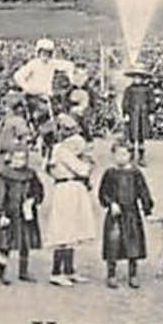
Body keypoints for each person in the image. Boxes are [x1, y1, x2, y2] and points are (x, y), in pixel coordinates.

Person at [42, 113, 97, 286]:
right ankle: (56, 272)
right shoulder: (61, 150)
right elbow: (82, 170)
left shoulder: (66, 148)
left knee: (73, 229)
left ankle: (69, 270)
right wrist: (87, 162)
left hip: (75, 189)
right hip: (66, 189)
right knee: (63, 230)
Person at [98, 141, 154, 289]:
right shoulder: (110, 173)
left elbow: (143, 191)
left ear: (130, 155)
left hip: (131, 214)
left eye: (124, 154)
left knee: (133, 243)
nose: (121, 158)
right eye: (118, 154)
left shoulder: (135, 173)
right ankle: (111, 274)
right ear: (113, 155)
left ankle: (133, 274)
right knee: (113, 243)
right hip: (115, 215)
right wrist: (111, 203)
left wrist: (147, 209)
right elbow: (103, 192)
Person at [0, 147, 44, 285]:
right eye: (16, 158)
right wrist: (2, 213)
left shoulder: (31, 174)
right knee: (4, 244)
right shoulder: (4, 175)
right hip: (10, 214)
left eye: (22, 158)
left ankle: (24, 271)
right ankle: (2, 272)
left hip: (25, 214)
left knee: (25, 243)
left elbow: (38, 190)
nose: (19, 161)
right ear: (11, 158)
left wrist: (33, 200)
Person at [14, 38, 77, 149]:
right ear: (38, 52)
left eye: (48, 53)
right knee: (41, 113)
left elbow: (69, 65)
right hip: (33, 96)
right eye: (43, 52)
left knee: (61, 111)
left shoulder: (52, 64)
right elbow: (18, 76)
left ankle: (54, 138)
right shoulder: (33, 64)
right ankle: (36, 136)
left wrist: (71, 77)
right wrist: (27, 87)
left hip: (47, 97)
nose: (45, 55)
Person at [120, 66, 156, 164]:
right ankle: (131, 156)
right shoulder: (129, 89)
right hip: (132, 114)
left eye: (139, 78)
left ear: (142, 78)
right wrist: (126, 113)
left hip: (143, 115)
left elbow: (151, 101)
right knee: (132, 134)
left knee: (141, 136)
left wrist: (151, 113)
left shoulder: (147, 89)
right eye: (135, 77)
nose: (137, 79)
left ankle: (141, 157)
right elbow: (125, 102)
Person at [0, 92, 35, 173]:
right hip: (15, 154)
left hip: (3, 152)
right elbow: (26, 137)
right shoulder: (19, 121)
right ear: (18, 108)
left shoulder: (5, 120)